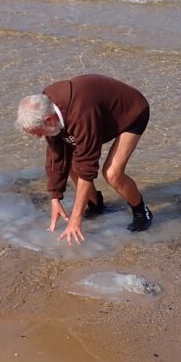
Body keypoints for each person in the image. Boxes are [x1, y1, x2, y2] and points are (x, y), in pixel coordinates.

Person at [16, 74, 153, 245]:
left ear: (49, 120)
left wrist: (76, 217)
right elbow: (56, 155)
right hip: (98, 115)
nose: (38, 137)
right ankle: (96, 205)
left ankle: (141, 211)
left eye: (37, 132)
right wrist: (55, 197)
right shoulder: (46, 106)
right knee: (72, 162)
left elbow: (88, 168)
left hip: (132, 112)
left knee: (112, 173)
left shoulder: (81, 114)